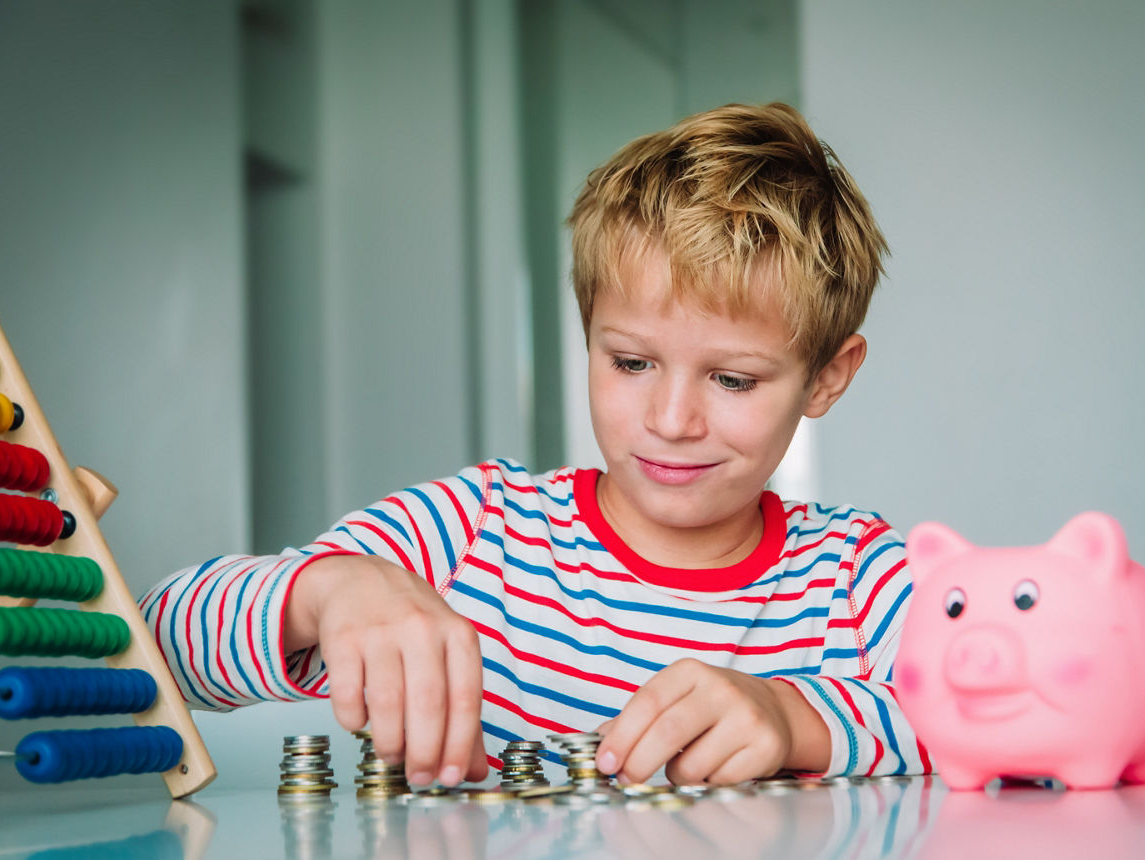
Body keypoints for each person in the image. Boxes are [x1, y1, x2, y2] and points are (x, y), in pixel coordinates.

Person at [141, 102, 929, 789]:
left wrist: (795, 717)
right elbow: (156, 642)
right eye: (631, 363)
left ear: (826, 377)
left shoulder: (856, 580)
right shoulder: (474, 531)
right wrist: (325, 592)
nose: (671, 418)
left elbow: (1029, 723)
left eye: (732, 380)